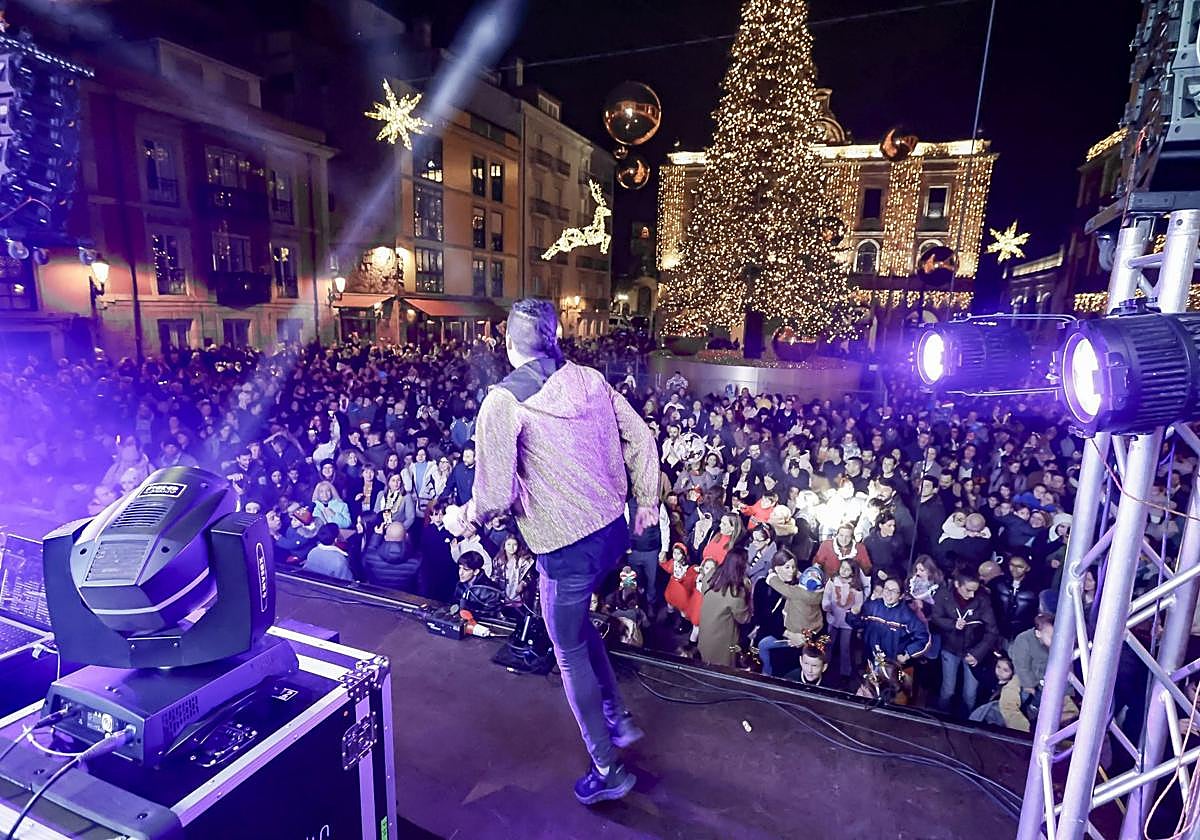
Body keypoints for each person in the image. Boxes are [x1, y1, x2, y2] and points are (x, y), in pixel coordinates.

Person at [452, 298, 658, 805]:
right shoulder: (589, 379)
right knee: (577, 628)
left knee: (566, 651)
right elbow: (641, 437)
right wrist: (647, 501)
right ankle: (619, 717)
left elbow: (495, 496)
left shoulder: (503, 401)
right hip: (610, 533)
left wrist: (465, 517)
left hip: (566, 549)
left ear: (506, 342)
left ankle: (608, 769)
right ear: (554, 335)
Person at [931, 570, 1000, 716]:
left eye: (975, 591)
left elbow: (992, 631)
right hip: (950, 648)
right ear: (957, 584)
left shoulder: (983, 600)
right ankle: (940, 718)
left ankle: (968, 722)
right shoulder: (943, 595)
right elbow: (936, 617)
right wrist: (952, 624)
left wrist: (977, 654)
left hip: (973, 650)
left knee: (970, 694)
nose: (972, 595)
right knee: (948, 690)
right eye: (968, 590)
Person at [757, 553, 825, 677]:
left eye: (794, 567)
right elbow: (764, 619)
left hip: (802, 638)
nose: (792, 571)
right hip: (777, 634)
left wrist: (805, 637)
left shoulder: (799, 588)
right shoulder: (763, 586)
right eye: (787, 567)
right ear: (776, 568)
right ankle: (767, 672)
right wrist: (790, 635)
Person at [846, 576, 929, 669]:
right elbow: (857, 625)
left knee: (890, 683)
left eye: (893, 591)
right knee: (870, 682)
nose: (888, 593)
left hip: (893, 664)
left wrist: (907, 654)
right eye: (886, 589)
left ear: (901, 595)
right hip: (870, 659)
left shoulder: (907, 616)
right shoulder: (872, 606)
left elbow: (923, 638)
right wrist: (853, 614)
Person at [697, 549, 751, 667]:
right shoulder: (735, 593)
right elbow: (744, 618)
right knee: (721, 667)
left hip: (706, 630)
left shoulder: (711, 575)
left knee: (705, 662)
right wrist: (748, 590)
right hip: (722, 638)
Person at [823, 558, 865, 681]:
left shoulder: (856, 586)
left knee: (845, 647)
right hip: (833, 618)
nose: (843, 571)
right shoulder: (832, 581)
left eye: (847, 569)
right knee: (829, 644)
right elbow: (826, 596)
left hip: (847, 621)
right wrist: (826, 605)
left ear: (853, 572)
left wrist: (856, 609)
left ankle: (845, 672)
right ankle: (825, 666)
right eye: (842, 568)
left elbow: (859, 602)